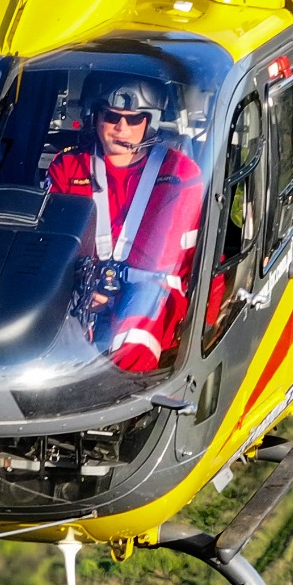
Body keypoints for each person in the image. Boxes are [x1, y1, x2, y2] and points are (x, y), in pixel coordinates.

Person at [46, 76, 206, 373]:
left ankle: (122, 401)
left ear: (150, 123)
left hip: (150, 289)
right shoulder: (68, 166)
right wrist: (80, 288)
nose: (122, 128)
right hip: (81, 287)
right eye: (112, 117)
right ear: (95, 118)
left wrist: (209, 322)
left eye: (134, 119)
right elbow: (52, 244)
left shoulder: (179, 171)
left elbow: (184, 256)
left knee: (135, 332)